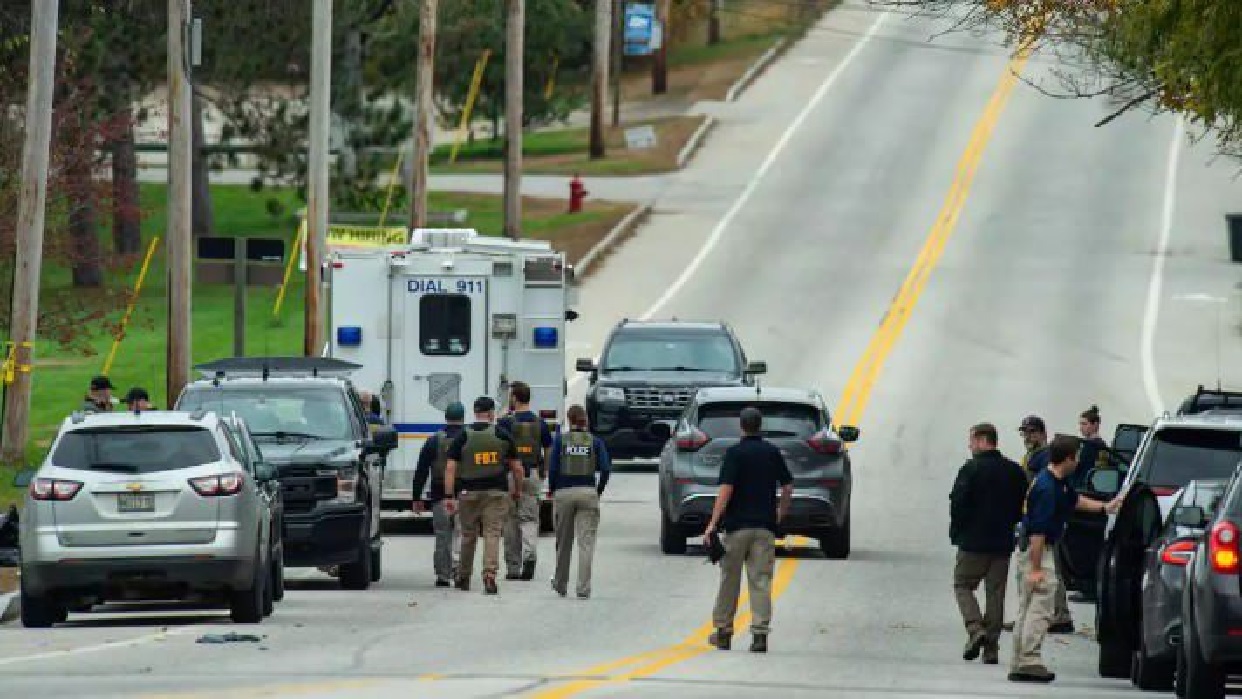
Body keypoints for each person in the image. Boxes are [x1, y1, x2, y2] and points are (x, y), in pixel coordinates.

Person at [1009, 435, 1121, 683]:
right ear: (1067, 459)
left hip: (1034, 549)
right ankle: (1029, 660)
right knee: (1040, 607)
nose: (1079, 460)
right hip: (1038, 550)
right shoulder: (1047, 488)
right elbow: (1038, 531)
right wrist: (1036, 568)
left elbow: (1074, 500)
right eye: (1077, 456)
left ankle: (1019, 660)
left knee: (1028, 607)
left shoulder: (1058, 483)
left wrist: (1105, 507)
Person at [703, 407, 793, 654]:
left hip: (736, 528)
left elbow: (726, 490)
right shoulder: (772, 452)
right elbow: (787, 487)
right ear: (760, 425)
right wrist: (779, 514)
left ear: (741, 426)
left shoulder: (735, 453)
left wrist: (713, 522)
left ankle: (723, 632)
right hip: (764, 528)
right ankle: (760, 635)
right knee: (761, 581)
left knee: (729, 581)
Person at [949, 423, 1028, 665]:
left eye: (972, 440)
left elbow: (958, 504)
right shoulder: (1014, 471)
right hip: (1001, 543)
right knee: (996, 595)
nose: (970, 445)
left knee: (963, 585)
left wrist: (958, 532)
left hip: (973, 542)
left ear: (984, 440)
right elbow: (1021, 506)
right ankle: (991, 649)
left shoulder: (970, 469)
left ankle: (975, 629)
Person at [444, 396, 523, 595]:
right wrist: (517, 490)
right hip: (496, 493)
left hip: (468, 493)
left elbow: (450, 468)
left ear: (475, 412)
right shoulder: (501, 434)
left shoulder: (463, 435)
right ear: (490, 414)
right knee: (492, 534)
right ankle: (489, 576)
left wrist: (449, 496)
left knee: (468, 535)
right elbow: (517, 468)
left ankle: (463, 576)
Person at [548, 404, 611, 600]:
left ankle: (560, 583)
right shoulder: (595, 442)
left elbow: (552, 468)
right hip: (587, 492)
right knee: (586, 543)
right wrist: (597, 491)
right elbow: (606, 469)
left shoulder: (560, 440)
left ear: (569, 419)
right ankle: (583, 588)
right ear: (585, 420)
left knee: (563, 541)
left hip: (564, 493)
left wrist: (553, 489)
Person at [1017, 414, 1072, 633]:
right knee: (1041, 569)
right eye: (1024, 432)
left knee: (1045, 569)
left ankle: (1057, 616)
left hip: (1043, 520)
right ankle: (1055, 614)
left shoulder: (1045, 457)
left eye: (1032, 432)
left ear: (1042, 433)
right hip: (1034, 517)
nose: (1027, 436)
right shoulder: (1033, 455)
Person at [497, 381, 553, 581]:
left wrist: (500, 416)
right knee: (529, 519)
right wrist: (545, 469)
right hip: (533, 474)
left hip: (510, 476)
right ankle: (530, 556)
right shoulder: (540, 423)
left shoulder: (505, 423)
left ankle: (513, 567)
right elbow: (548, 447)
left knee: (510, 521)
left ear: (514, 398)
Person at [412, 402, 466, 587]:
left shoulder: (434, 440)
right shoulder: (469, 439)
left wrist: (416, 497)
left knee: (443, 535)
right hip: (464, 495)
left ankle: (443, 575)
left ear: (446, 418)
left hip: (439, 495)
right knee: (462, 534)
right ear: (463, 417)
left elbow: (421, 470)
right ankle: (460, 571)